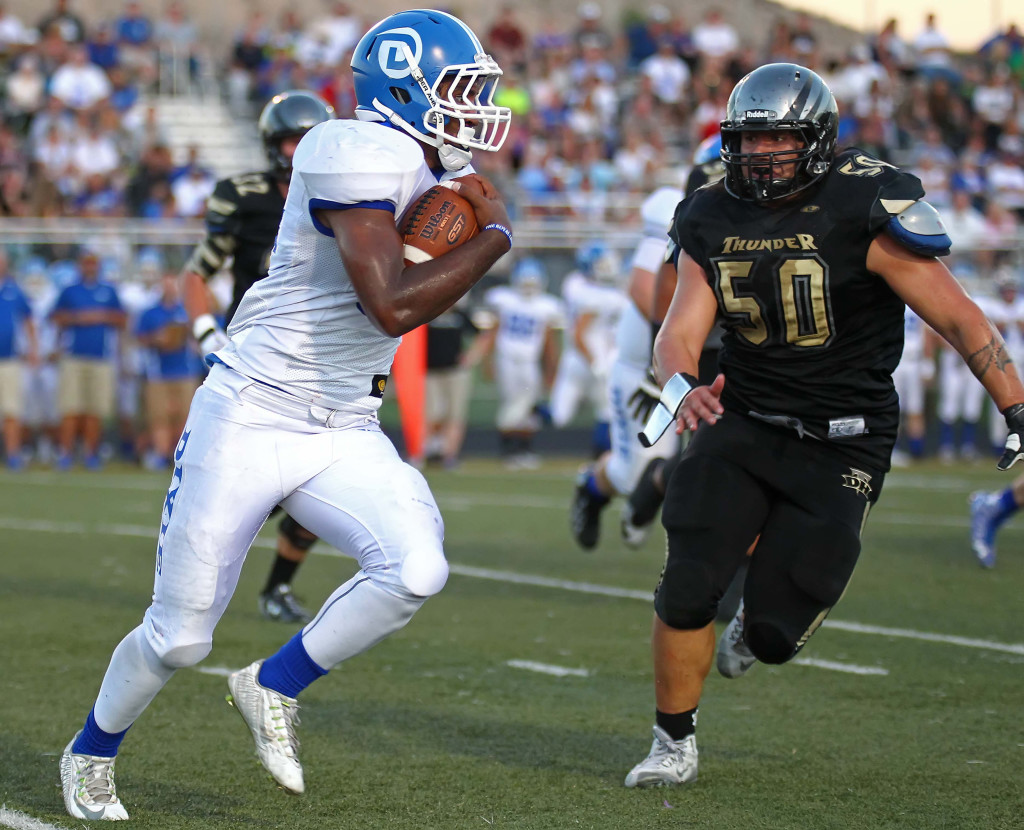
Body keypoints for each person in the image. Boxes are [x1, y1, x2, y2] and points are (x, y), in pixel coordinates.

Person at [59, 9, 512, 820]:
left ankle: (272, 683)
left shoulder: (423, 165)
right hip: (252, 410)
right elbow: (390, 306)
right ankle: (90, 752)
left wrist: (462, 228)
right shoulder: (351, 146)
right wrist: (495, 237)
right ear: (405, 89)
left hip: (341, 424)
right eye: (457, 90)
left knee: (415, 569)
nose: (474, 107)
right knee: (179, 636)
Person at [623, 63, 1024, 789]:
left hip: (845, 435)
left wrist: (1015, 405)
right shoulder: (710, 215)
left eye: (777, 138)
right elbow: (679, 329)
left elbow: (961, 319)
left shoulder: (861, 203)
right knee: (687, 583)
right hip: (742, 415)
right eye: (748, 139)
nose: (759, 154)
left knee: (774, 636)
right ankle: (671, 741)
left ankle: (760, 622)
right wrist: (680, 385)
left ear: (815, 139)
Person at [181, 89, 334, 623]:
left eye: (308, 140)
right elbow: (197, 272)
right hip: (256, 356)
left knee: (324, 480)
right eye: (291, 141)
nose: (298, 152)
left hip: (324, 358)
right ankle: (193, 592)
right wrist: (206, 333)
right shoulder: (244, 197)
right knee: (232, 492)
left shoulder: (352, 196)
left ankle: (276, 589)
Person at [569, 186, 679, 548]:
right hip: (648, 374)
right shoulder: (674, 208)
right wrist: (664, 358)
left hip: (697, 370)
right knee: (635, 476)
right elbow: (644, 286)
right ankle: (591, 487)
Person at [479, 257, 563, 469]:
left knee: (528, 405)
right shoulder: (504, 299)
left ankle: (522, 449)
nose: (528, 288)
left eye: (531, 284)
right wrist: (488, 361)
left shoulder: (545, 305)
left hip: (528, 361)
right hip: (507, 359)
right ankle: (510, 451)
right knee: (513, 404)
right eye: (525, 283)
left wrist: (551, 369)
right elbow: (494, 332)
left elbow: (548, 342)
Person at [49, 250, 126, 470]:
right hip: (73, 356)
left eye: (93, 263)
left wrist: (100, 315)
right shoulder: (70, 291)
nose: (90, 267)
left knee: (95, 409)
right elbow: (55, 316)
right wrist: (78, 317)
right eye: (86, 263)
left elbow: (122, 319)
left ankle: (91, 453)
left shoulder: (108, 291)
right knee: (70, 407)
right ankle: (65, 453)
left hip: (101, 357)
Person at [0, 249, 38, 469]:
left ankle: (13, 454)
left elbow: (28, 320)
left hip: (10, 359)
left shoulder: (14, 290)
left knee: (12, 410)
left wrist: (33, 348)